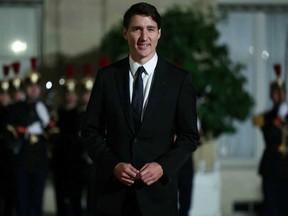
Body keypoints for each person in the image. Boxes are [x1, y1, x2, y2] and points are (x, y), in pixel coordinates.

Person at [81, 2, 199, 216]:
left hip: (158, 199)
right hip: (113, 197)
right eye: (137, 29)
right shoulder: (107, 77)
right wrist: (112, 165)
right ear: (125, 33)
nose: (144, 37)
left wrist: (163, 167)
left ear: (159, 34)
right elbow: (90, 131)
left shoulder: (178, 80)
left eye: (150, 29)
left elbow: (189, 136)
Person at [8, 57, 51, 216]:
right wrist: (26, 129)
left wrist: (46, 123)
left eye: (36, 86)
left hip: (39, 160)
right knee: (22, 200)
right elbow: (10, 129)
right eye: (30, 86)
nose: (34, 89)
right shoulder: (17, 107)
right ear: (26, 88)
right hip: (22, 160)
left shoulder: (45, 107)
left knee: (37, 199)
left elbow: (52, 132)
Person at [252, 63, 288, 216]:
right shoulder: (265, 118)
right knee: (271, 209)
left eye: (282, 93)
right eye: (276, 93)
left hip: (287, 170)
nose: (279, 96)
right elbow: (271, 136)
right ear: (271, 95)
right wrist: (279, 117)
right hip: (271, 168)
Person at [50, 65, 84, 216]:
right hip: (60, 158)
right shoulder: (57, 113)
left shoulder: (82, 114)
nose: (70, 96)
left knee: (76, 195)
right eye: (68, 93)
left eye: (73, 93)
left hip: (76, 159)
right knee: (60, 194)